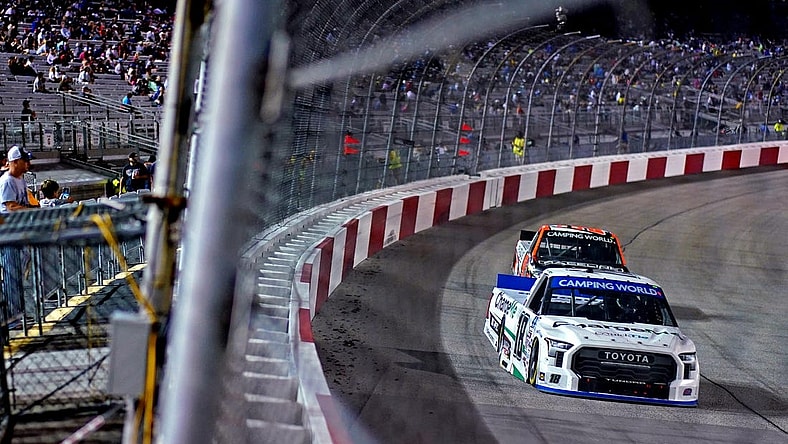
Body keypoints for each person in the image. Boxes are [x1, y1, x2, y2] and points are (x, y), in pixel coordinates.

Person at [0, 146, 33, 212]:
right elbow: (11, 207)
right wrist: (34, 212)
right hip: (10, 221)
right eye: (25, 161)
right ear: (15, 162)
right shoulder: (7, 181)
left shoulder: (20, 178)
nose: (29, 164)